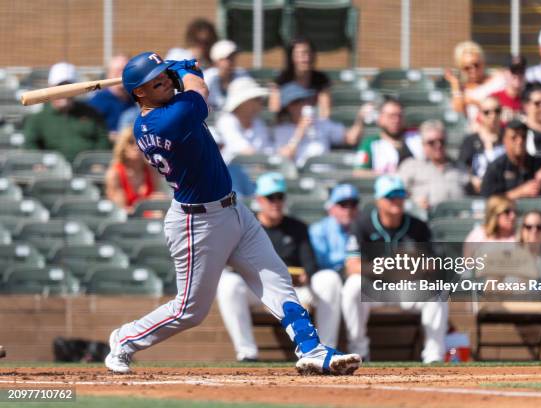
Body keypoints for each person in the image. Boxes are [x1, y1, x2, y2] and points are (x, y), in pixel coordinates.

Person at [104, 52, 361, 375]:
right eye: (157, 81)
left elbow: (185, 90)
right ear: (139, 93)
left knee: (276, 277)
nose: (166, 82)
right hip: (197, 221)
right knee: (191, 310)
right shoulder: (167, 120)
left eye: (165, 77)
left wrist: (172, 71)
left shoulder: (155, 114)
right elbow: (199, 91)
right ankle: (126, 338)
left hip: (231, 207)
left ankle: (310, 347)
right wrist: (185, 69)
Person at [217, 173, 344, 360]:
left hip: (293, 291)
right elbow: (234, 263)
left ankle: (323, 350)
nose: (276, 202)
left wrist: (301, 277)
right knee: (228, 283)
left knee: (329, 279)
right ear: (259, 199)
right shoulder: (245, 226)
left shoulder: (297, 228)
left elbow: (310, 266)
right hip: (257, 289)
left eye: (280, 197)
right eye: (270, 197)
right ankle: (247, 353)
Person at [341, 175, 448, 362]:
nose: (397, 200)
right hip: (375, 287)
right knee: (352, 286)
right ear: (378, 200)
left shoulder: (418, 226)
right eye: (391, 196)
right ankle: (359, 352)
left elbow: (434, 263)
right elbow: (352, 266)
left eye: (400, 195)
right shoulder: (362, 225)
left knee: (438, 289)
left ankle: (434, 356)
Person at [23, 62, 110, 162]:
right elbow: (30, 144)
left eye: (69, 88)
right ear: (50, 88)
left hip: (87, 170)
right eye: (60, 87)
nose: (64, 93)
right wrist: (38, 162)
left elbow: (103, 140)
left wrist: (97, 162)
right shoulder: (38, 117)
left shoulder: (91, 113)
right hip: (52, 171)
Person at [480, 120, 541, 199]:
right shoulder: (496, 168)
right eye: (514, 138)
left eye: (523, 137)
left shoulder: (539, 163)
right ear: (504, 140)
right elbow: (488, 201)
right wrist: (520, 192)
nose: (520, 141)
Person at [272, 82, 361, 167]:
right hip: (301, 177)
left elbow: (351, 138)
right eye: (297, 102)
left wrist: (360, 119)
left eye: (305, 100)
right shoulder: (282, 130)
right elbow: (284, 158)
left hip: (326, 177)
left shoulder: (322, 123)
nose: (303, 104)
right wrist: (299, 132)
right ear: (288, 107)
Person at [396, 120, 468, 211]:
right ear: (423, 144)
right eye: (431, 142)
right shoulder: (410, 166)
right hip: (423, 220)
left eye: (441, 141)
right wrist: (413, 203)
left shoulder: (459, 167)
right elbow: (396, 195)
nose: (438, 145)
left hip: (456, 219)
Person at [445, 41, 505, 128]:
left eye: (476, 65)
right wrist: (455, 84)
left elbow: (503, 107)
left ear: (483, 62)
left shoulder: (497, 81)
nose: (473, 70)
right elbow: (458, 114)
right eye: (467, 68)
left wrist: (473, 101)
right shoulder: (462, 90)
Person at [354, 98, 420, 175]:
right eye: (391, 116)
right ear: (380, 118)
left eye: (399, 116)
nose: (396, 120)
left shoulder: (417, 138)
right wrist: (387, 174)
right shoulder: (370, 144)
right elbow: (359, 173)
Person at [269, 38, 332, 118]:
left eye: (309, 53)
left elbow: (325, 112)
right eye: (302, 54)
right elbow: (275, 111)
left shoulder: (321, 80)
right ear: (291, 57)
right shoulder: (280, 81)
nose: (307, 58)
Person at [105, 126, 163, 213]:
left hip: (150, 220)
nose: (137, 147)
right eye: (131, 142)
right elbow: (120, 211)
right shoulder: (115, 174)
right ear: (123, 146)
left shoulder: (152, 171)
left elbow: (158, 202)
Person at [215, 77, 272, 163]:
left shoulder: (258, 123)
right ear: (243, 102)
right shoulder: (226, 121)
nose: (260, 102)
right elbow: (243, 150)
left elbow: (267, 150)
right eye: (256, 99)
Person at [458, 96, 505, 194]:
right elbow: (462, 166)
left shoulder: (508, 137)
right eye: (487, 112)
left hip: (503, 191)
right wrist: (472, 179)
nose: (493, 116)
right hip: (478, 192)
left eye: (497, 111)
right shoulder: (470, 141)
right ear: (480, 114)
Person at [87, 55, 135, 140]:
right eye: (118, 71)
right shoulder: (97, 102)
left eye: (126, 71)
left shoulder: (138, 100)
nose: (122, 75)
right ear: (109, 74)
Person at [203, 40, 250, 111]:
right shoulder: (206, 77)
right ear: (217, 61)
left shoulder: (242, 74)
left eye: (233, 57)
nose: (232, 61)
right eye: (228, 58)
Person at [491, 55, 527, 123]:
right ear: (504, 73)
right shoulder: (494, 98)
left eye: (521, 70)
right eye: (514, 70)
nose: (518, 74)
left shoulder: (531, 99)